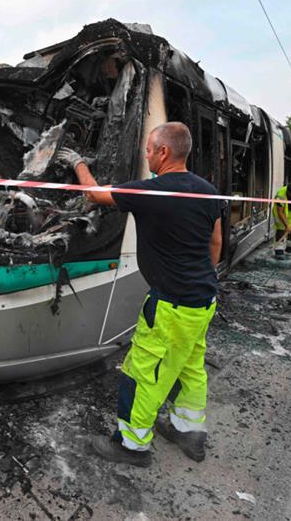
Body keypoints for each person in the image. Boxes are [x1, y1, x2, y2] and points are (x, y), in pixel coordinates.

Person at [56, 122, 222, 467]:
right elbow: (216, 243)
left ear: (164, 151)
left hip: (171, 305)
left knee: (143, 372)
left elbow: (93, 195)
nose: (146, 156)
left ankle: (132, 446)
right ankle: (188, 431)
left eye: (148, 150)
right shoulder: (209, 192)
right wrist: (201, 278)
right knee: (191, 367)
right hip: (203, 301)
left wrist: (77, 163)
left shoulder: (150, 191)